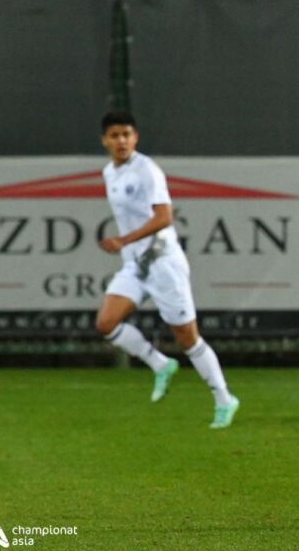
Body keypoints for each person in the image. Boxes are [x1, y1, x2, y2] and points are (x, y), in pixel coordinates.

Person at [94, 111, 240, 429]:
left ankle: (224, 398)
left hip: (163, 263)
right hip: (136, 264)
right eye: (115, 135)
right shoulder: (109, 172)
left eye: (127, 135)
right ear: (105, 140)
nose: (121, 141)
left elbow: (164, 217)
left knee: (188, 338)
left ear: (135, 138)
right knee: (106, 323)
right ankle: (160, 364)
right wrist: (128, 248)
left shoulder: (147, 170)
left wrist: (123, 240)